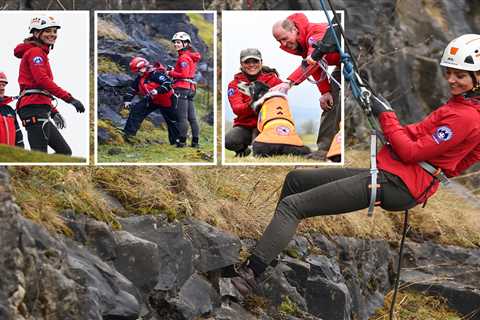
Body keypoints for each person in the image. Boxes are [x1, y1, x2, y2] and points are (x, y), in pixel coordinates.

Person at [230, 34, 480, 295]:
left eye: (460, 75)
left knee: (292, 206)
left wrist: (387, 116)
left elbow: (409, 151)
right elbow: (420, 138)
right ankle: (270, 248)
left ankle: (249, 275)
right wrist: (384, 114)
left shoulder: (466, 118)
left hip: (397, 183)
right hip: (394, 175)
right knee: (296, 180)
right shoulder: (461, 108)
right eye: (450, 72)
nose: (451, 79)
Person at [271, 13, 341, 160]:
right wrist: (325, 91)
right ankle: (324, 150)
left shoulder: (314, 34)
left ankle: (336, 148)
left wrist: (288, 83)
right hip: (339, 64)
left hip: (354, 59)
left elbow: (314, 60)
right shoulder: (300, 45)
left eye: (284, 38)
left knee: (341, 99)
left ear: (294, 30)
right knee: (330, 103)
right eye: (279, 41)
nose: (283, 44)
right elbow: (317, 66)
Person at [14, 14, 85, 155]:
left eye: (54, 31)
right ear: (36, 33)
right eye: (47, 31)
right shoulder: (35, 53)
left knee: (64, 152)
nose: (52, 34)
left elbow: (38, 89)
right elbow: (42, 81)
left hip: (39, 107)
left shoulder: (38, 53)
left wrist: (53, 112)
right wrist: (69, 99)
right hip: (32, 109)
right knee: (39, 155)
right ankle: (31, 175)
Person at [226, 48, 283, 157]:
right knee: (230, 141)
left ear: (261, 62)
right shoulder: (234, 84)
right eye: (247, 62)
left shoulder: (275, 81)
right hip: (245, 125)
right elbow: (237, 109)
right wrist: (254, 103)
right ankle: (243, 150)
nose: (252, 65)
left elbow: (281, 102)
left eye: (255, 61)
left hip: (269, 124)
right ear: (241, 64)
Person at [123, 57, 179, 145]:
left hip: (167, 100)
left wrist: (157, 90)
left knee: (172, 121)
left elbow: (168, 83)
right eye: (137, 71)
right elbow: (133, 89)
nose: (138, 73)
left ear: (145, 66)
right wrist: (127, 100)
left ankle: (176, 142)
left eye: (139, 70)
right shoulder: (140, 78)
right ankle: (128, 135)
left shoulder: (156, 74)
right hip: (153, 99)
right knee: (137, 110)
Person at [167, 32, 201, 148]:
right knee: (192, 117)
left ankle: (181, 142)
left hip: (182, 88)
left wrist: (170, 72)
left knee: (182, 117)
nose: (176, 44)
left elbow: (183, 73)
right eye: (175, 42)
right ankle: (195, 142)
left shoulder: (183, 57)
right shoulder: (190, 56)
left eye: (178, 42)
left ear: (185, 43)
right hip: (190, 88)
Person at [0, 72, 23, 148]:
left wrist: (20, 153)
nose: (2, 88)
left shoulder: (9, 110)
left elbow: (18, 135)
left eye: (3, 85)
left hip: (9, 156)